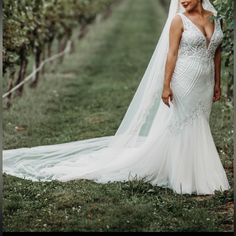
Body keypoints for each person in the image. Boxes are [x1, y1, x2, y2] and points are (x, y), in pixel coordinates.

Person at [3, 0, 230, 195]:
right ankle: (185, 179)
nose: (181, 1)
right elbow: (171, 54)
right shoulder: (178, 21)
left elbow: (217, 51)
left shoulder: (216, 18)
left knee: (200, 121)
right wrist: (166, 85)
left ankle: (193, 169)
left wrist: (218, 82)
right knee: (184, 123)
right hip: (184, 79)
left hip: (205, 82)